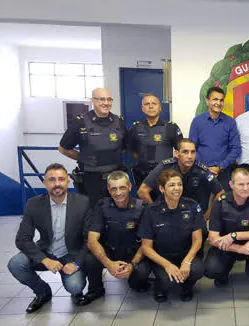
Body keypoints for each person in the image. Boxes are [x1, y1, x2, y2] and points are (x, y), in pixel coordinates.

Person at [7, 163, 91, 312]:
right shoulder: (33, 204)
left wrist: (76, 264)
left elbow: (89, 240)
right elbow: (22, 239)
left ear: (68, 181)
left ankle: (76, 292)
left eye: (61, 179)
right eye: (52, 179)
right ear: (44, 183)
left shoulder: (83, 203)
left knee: (75, 286)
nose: (57, 184)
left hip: (71, 255)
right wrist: (44, 259)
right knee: (16, 264)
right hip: (46, 252)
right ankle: (42, 292)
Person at [204, 168, 249, 306]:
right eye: (241, 184)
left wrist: (234, 236)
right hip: (228, 248)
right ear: (231, 184)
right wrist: (239, 248)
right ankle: (223, 273)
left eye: (248, 184)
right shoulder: (220, 202)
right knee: (211, 269)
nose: (246, 188)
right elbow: (213, 238)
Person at [84, 171, 151, 305]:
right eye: (114, 189)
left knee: (140, 278)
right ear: (108, 190)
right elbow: (92, 240)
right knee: (90, 260)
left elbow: (146, 242)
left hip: (134, 252)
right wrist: (108, 263)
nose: (118, 193)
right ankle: (95, 289)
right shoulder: (102, 206)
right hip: (111, 250)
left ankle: (137, 281)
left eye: (122, 188)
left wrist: (132, 266)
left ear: (130, 187)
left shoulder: (142, 207)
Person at [139, 169, 205, 302]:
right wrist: (167, 265)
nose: (177, 188)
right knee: (166, 281)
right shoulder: (151, 211)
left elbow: (198, 240)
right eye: (171, 185)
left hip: (185, 254)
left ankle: (187, 287)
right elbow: (146, 247)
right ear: (162, 188)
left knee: (197, 269)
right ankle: (160, 286)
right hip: (162, 257)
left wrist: (186, 261)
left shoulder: (192, 206)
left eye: (179, 184)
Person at [59, 87, 127, 206]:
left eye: (109, 99)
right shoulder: (81, 122)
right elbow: (63, 148)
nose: (106, 103)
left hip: (115, 179)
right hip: (91, 180)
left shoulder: (119, 121)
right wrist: (84, 157)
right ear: (92, 100)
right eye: (101, 99)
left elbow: (125, 147)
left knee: (117, 212)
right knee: (92, 214)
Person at [137, 138, 223, 220]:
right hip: (168, 216)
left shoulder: (202, 171)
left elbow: (220, 193)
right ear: (176, 154)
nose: (190, 156)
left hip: (193, 218)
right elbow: (142, 191)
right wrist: (155, 213)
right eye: (185, 152)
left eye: (193, 152)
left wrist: (206, 216)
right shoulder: (165, 167)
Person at [189, 86, 241, 190]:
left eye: (221, 100)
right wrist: (205, 168)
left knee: (223, 204)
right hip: (201, 172)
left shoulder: (230, 123)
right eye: (215, 99)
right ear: (207, 101)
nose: (218, 103)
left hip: (223, 173)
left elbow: (236, 149)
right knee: (202, 204)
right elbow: (192, 148)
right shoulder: (197, 122)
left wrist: (220, 167)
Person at [128, 94, 183, 187]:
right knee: (144, 199)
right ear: (142, 108)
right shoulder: (135, 128)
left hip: (164, 175)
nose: (151, 106)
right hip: (142, 174)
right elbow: (133, 151)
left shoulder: (171, 127)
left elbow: (180, 151)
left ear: (160, 107)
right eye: (147, 104)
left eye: (154, 103)